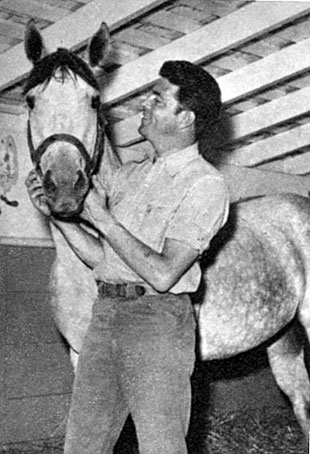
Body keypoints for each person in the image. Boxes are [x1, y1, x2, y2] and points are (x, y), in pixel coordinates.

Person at [26, 60, 229, 454]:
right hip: (104, 316)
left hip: (156, 322)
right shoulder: (129, 177)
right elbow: (101, 258)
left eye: (158, 98)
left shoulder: (205, 185)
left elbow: (165, 273)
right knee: (82, 446)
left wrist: (102, 217)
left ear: (185, 117)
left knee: (160, 446)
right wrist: (60, 219)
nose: (145, 103)